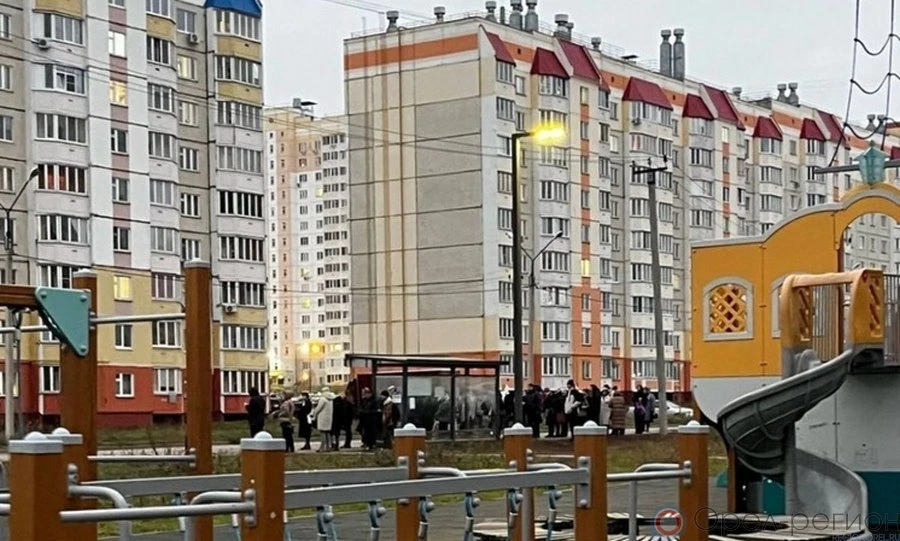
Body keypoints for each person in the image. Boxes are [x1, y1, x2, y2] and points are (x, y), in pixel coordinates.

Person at [312, 387, 335, 451]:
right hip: (329, 418)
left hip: (322, 417)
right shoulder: (331, 399)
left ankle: (322, 447)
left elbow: (318, 408)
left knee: (322, 432)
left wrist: (314, 413)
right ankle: (328, 446)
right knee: (327, 432)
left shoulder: (323, 399)